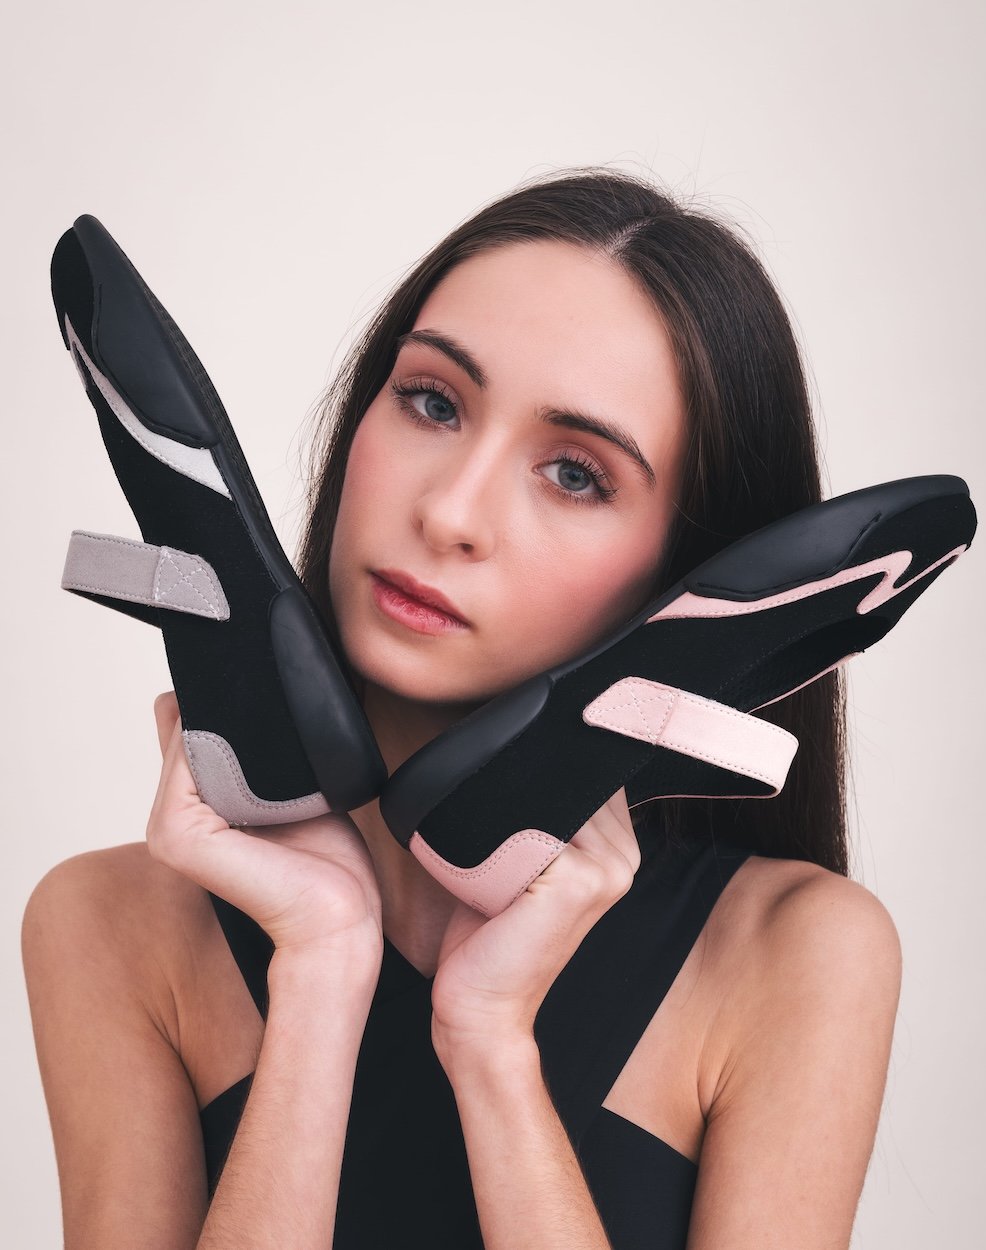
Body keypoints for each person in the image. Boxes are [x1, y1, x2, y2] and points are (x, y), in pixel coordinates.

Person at [22, 168, 902, 1248]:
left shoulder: (793, 953)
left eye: (575, 474)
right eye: (432, 402)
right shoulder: (111, 924)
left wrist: (491, 1045)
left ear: (685, 573)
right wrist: (319, 974)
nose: (449, 512)